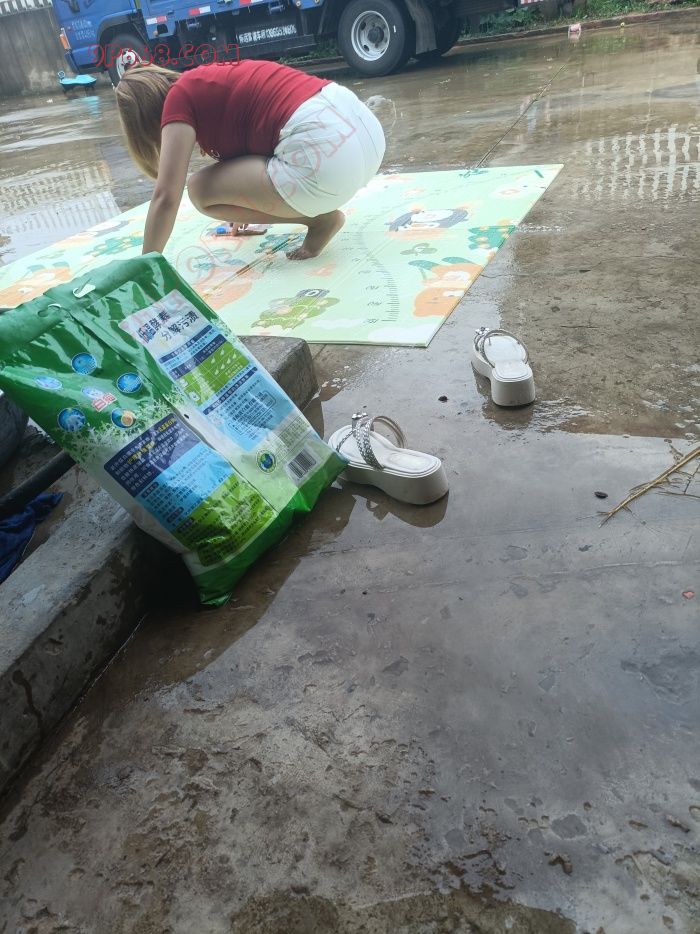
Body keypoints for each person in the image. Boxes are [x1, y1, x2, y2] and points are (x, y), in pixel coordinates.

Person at [115, 59, 386, 260]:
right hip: (364, 129)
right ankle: (320, 214)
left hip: (326, 157)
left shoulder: (178, 100)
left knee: (199, 190)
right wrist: (241, 204)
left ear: (144, 119)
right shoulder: (204, 82)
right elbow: (262, 129)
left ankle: (319, 220)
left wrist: (145, 265)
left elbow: (166, 196)